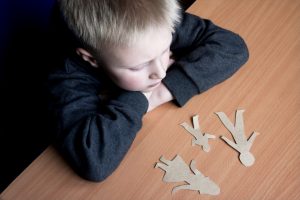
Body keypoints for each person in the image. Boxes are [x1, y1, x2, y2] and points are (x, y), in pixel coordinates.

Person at [47, 0, 249, 182]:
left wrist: (162, 92)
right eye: (137, 67)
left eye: (165, 51)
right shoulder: (65, 76)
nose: (161, 73)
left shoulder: (153, 22)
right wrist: (141, 96)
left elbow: (232, 47)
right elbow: (94, 161)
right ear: (91, 59)